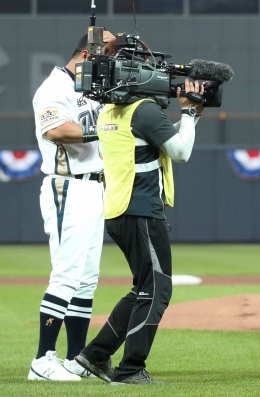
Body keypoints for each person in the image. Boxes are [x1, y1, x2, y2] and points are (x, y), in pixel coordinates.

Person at [73, 39, 205, 385]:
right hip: (142, 210)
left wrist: (191, 118)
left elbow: (155, 140)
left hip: (119, 210)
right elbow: (180, 152)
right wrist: (189, 113)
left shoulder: (109, 111)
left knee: (142, 289)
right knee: (158, 290)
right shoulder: (144, 110)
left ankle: (95, 354)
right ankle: (131, 369)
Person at [28, 30, 115, 382]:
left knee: (86, 280)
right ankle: (42, 359)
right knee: (66, 274)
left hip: (94, 187)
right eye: (106, 54)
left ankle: (76, 358)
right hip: (68, 186)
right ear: (87, 54)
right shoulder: (54, 87)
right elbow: (57, 131)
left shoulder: (93, 89)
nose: (110, 63)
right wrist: (104, 131)